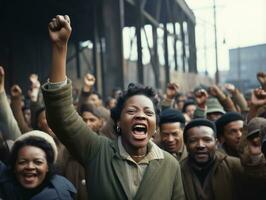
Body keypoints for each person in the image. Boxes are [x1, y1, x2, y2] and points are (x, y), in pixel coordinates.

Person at [42, 15, 185, 199]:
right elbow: (62, 117)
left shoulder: (170, 165)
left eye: (148, 112)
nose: (140, 116)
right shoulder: (97, 151)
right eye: (132, 111)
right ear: (118, 122)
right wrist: (60, 48)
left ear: (155, 126)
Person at [181, 119, 246, 200]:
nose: (200, 145)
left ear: (216, 143)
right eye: (193, 141)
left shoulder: (234, 166)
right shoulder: (178, 171)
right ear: (186, 145)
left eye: (207, 140)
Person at [0, 130, 76, 199]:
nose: (30, 167)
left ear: (48, 167)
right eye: (22, 162)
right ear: (14, 166)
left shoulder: (57, 196)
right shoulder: (8, 183)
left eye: (38, 162)